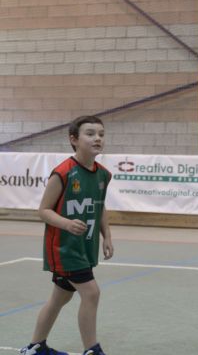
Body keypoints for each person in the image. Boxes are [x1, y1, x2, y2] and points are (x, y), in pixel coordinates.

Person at [21, 116, 113, 355]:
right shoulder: (63, 173)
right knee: (91, 293)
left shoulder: (103, 174)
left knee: (60, 298)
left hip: (85, 246)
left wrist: (107, 236)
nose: (98, 138)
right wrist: (66, 224)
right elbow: (43, 210)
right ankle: (92, 349)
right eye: (90, 134)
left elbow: (99, 205)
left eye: (101, 134)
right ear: (74, 139)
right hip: (64, 248)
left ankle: (35, 346)